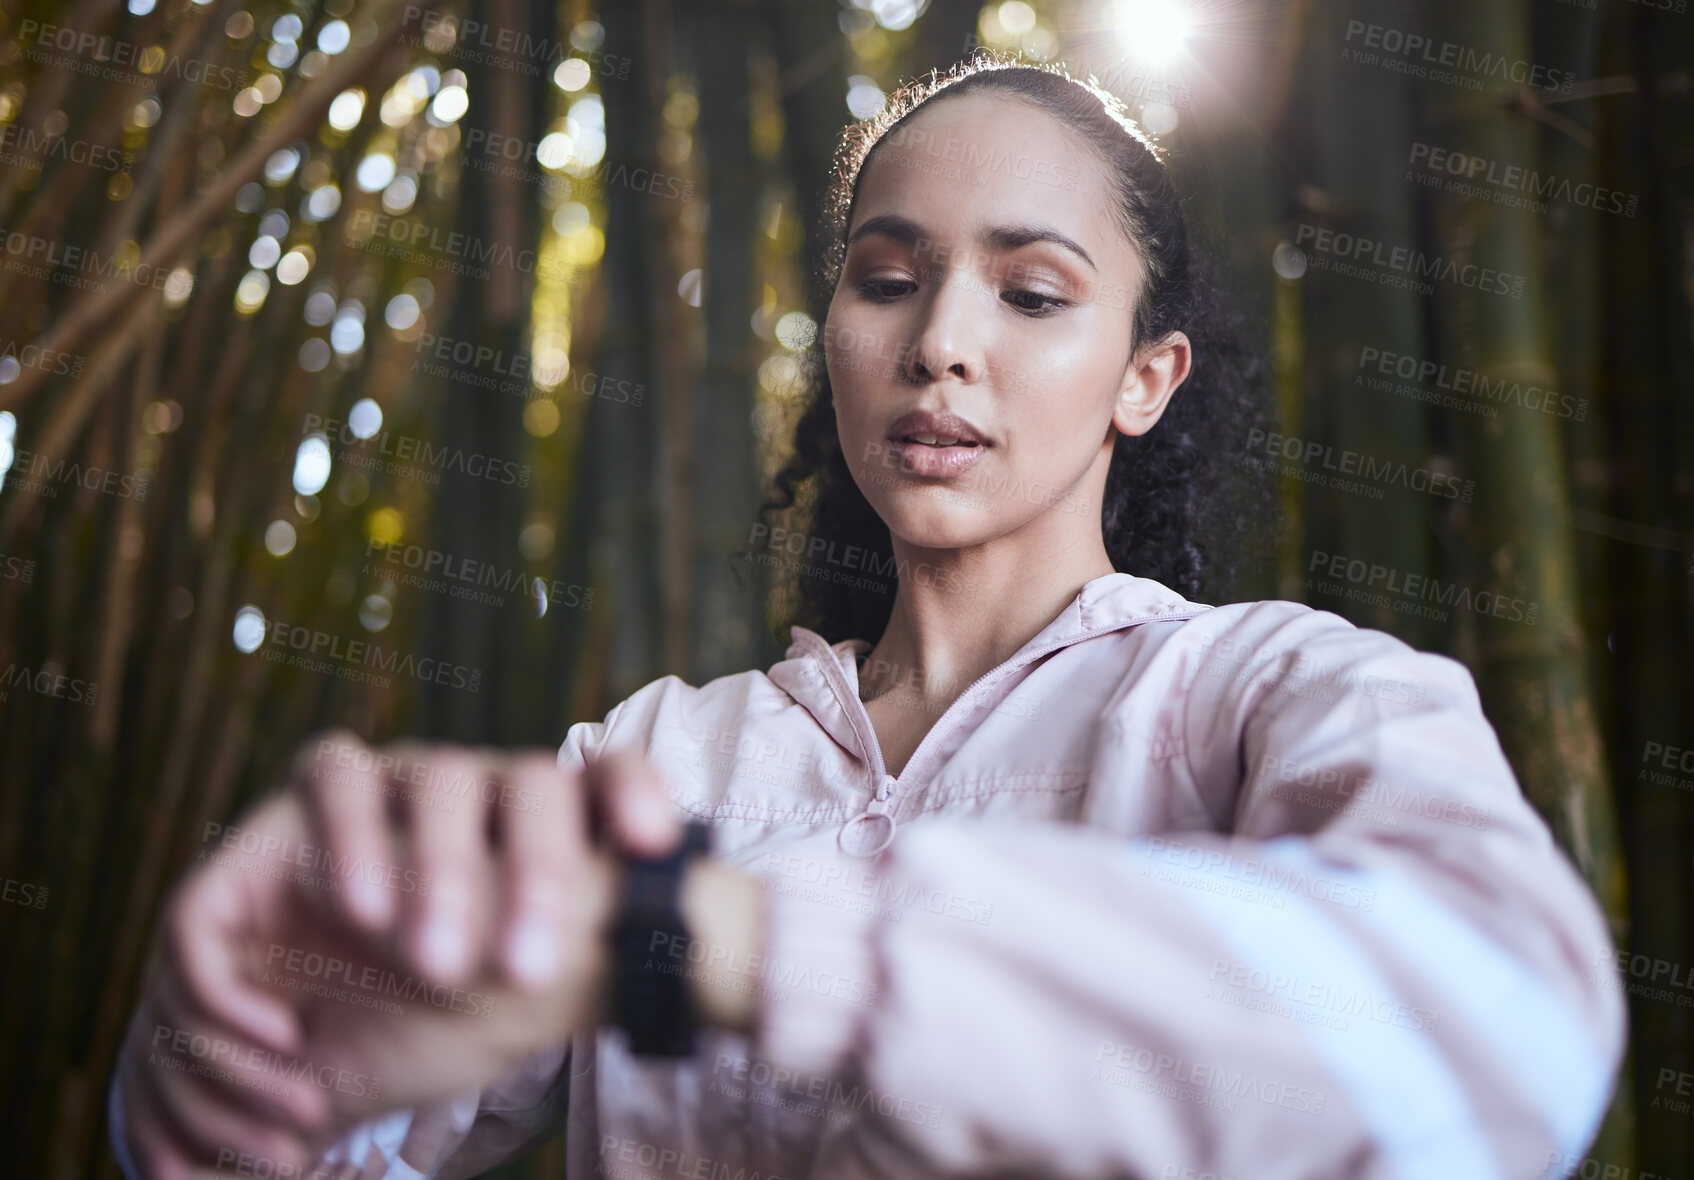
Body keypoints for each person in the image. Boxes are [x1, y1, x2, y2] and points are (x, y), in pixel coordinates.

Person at [109, 58, 1625, 1180]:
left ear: (1144, 377)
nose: (939, 344)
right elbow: (299, 1138)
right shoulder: (657, 758)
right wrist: (226, 1054)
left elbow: (1506, 1026)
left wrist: (723, 936)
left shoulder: (1270, 693)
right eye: (887, 279)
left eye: (1032, 295)